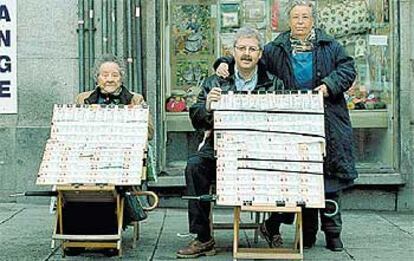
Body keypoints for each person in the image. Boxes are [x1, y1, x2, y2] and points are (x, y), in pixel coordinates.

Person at [214, 0, 358, 252]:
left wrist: (328, 85)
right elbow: (251, 54)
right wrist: (225, 61)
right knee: (300, 175)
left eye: (305, 17)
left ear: (313, 20)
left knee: (329, 180)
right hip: (292, 121)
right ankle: (308, 233)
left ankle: (334, 233)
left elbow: (348, 69)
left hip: (327, 119)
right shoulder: (276, 48)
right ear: (288, 22)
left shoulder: (331, 46)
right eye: (296, 18)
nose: (300, 22)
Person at [176, 26, 284, 259]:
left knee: (295, 167)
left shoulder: (274, 83)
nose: (246, 53)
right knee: (194, 166)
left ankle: (272, 225)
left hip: (261, 151)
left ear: (260, 54)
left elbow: (283, 120)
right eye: (241, 48)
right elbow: (196, 117)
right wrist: (207, 107)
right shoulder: (215, 81)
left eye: (252, 49)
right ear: (232, 51)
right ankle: (203, 237)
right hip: (220, 147)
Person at [63, 55, 154, 256]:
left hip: (119, 158)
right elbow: (69, 128)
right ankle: (73, 234)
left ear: (122, 78)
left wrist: (131, 117)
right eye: (105, 75)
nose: (110, 79)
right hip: (87, 156)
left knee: (108, 179)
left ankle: (107, 235)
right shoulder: (83, 99)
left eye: (115, 74)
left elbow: (149, 132)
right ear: (97, 78)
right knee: (74, 181)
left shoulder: (135, 99)